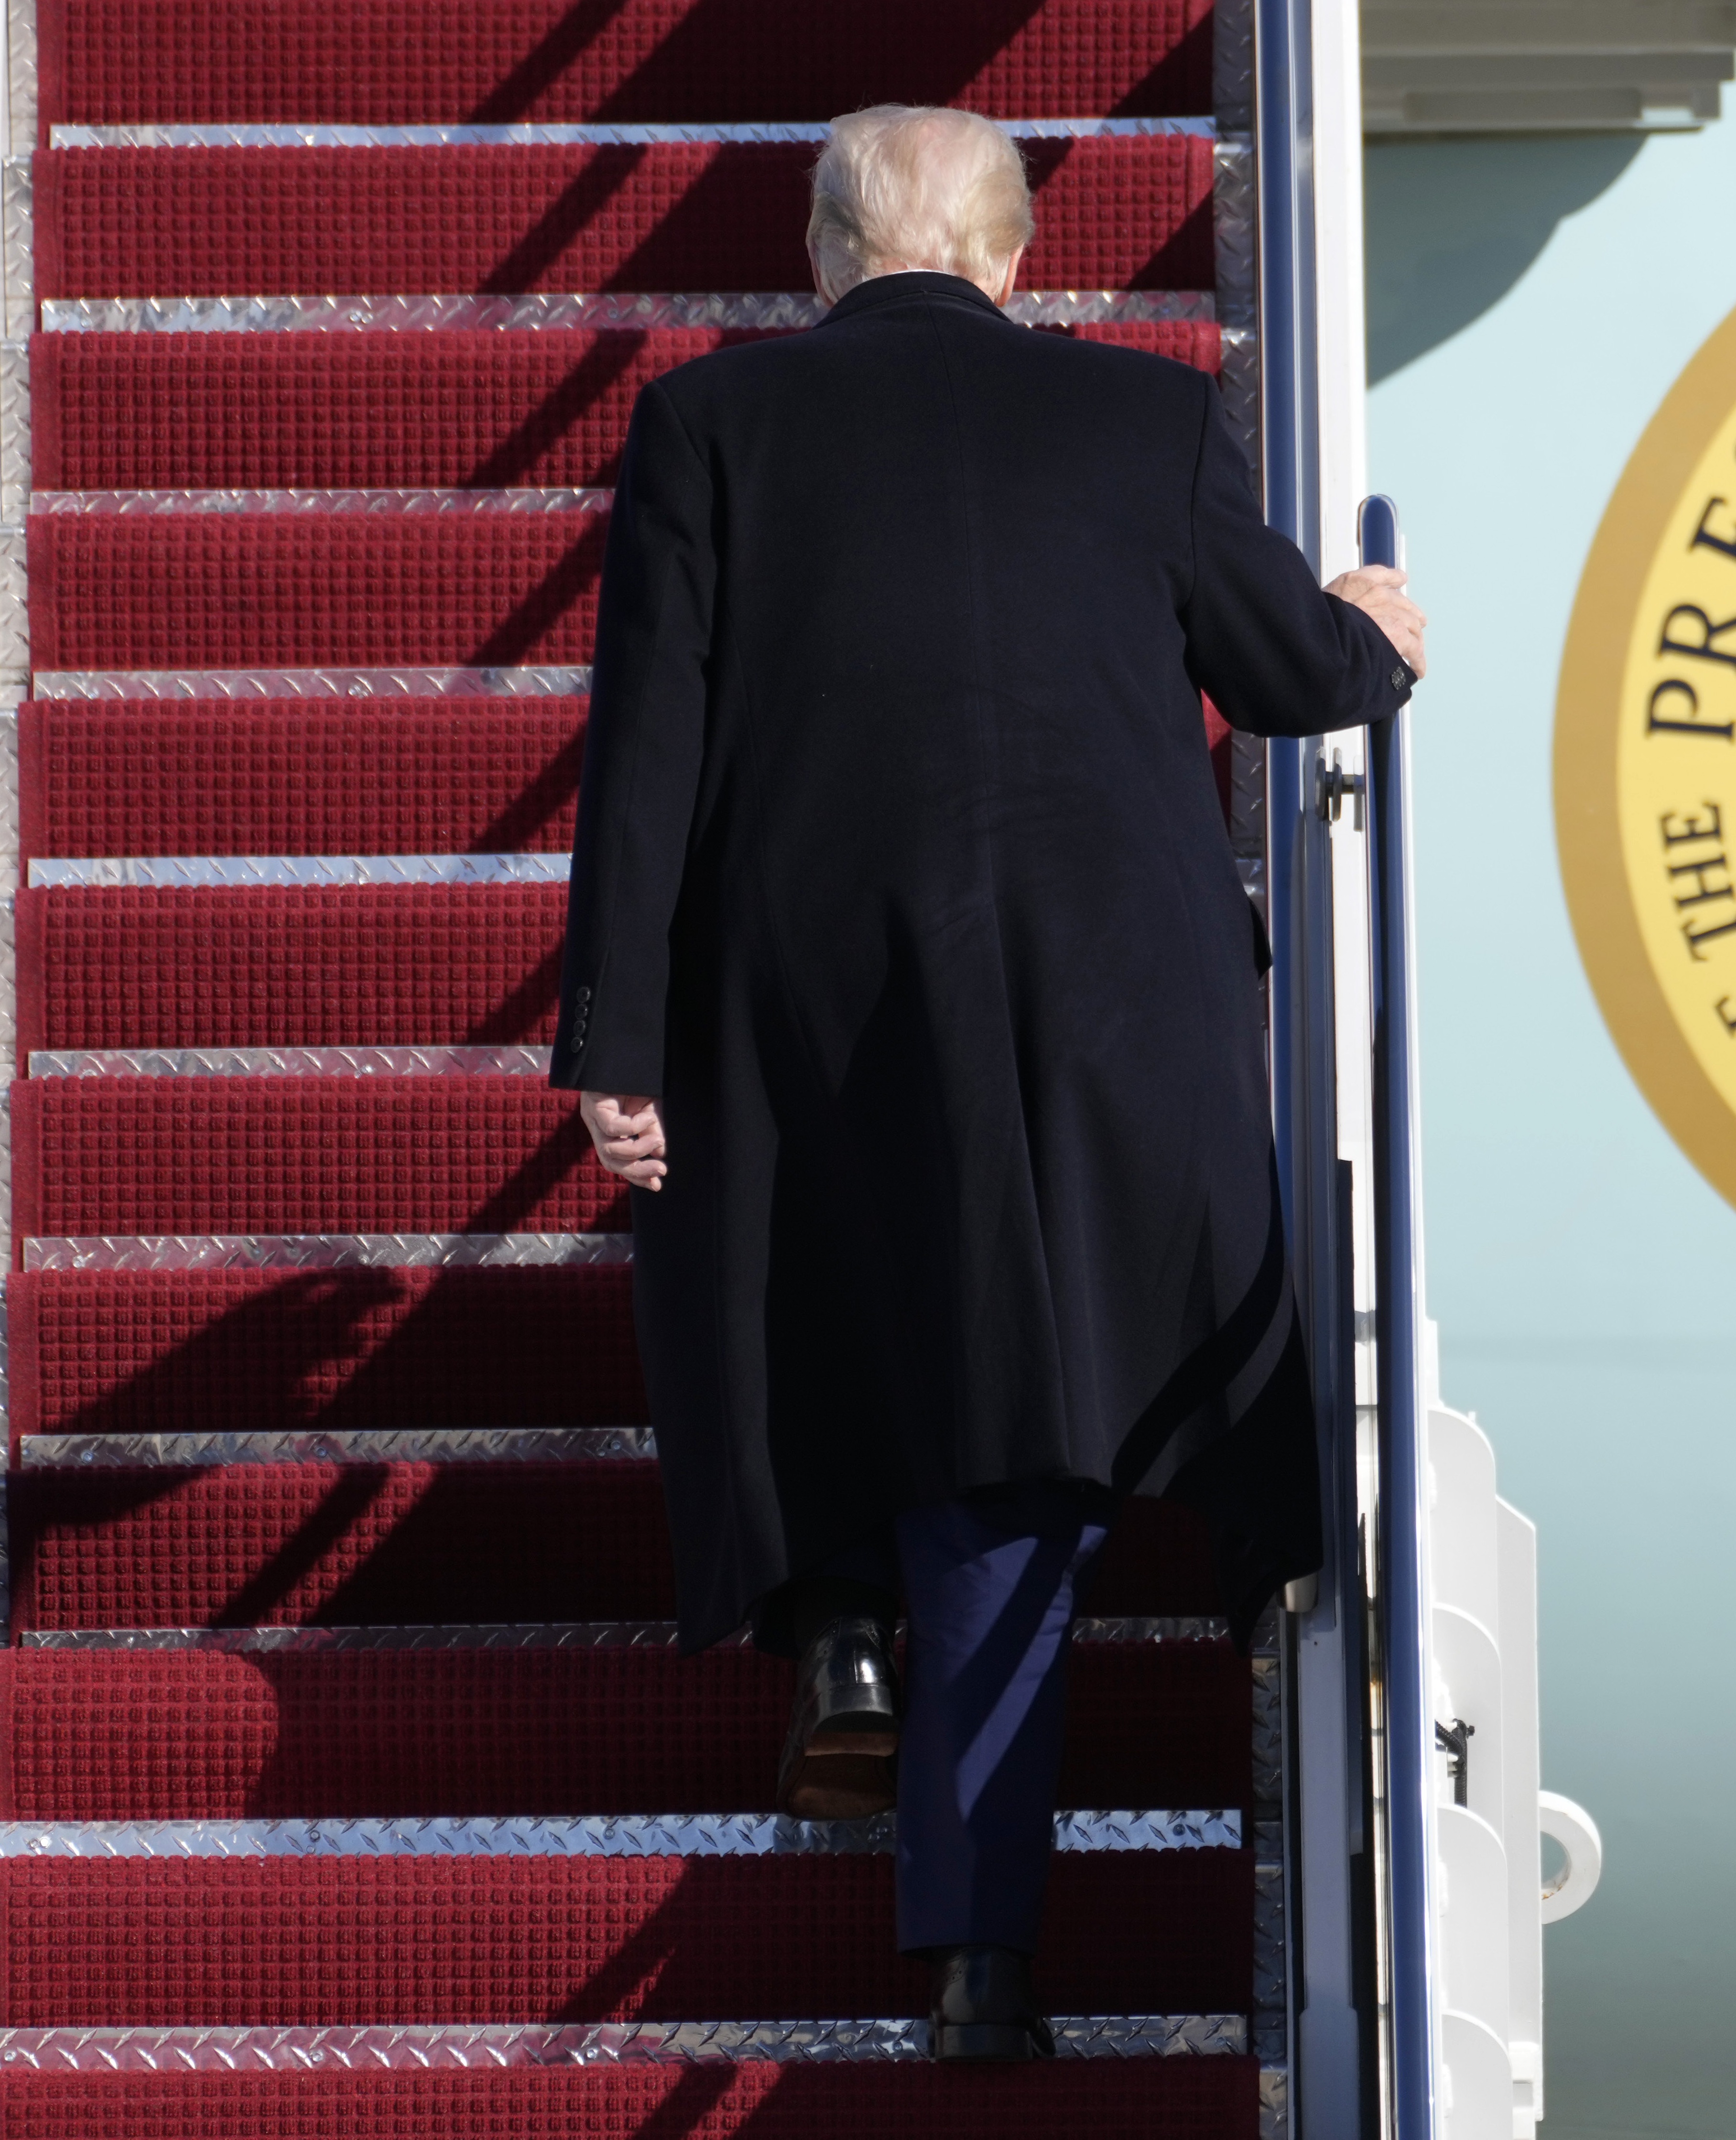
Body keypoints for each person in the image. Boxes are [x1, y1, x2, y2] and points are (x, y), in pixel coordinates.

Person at [550, 103, 1423, 2062]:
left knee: (821, 1316)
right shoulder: (1138, 416)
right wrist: (1376, 643)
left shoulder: (709, 427)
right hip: (1104, 1001)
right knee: (1028, 1426)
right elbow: (1291, 676)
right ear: (1016, 259)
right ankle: (978, 1951)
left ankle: (840, 1620)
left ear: (821, 255)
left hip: (809, 981)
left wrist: (614, 1040)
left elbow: (648, 752)